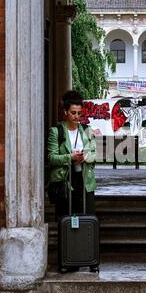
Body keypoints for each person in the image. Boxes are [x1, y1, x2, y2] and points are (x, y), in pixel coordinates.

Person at [47, 90, 97, 221]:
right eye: (73, 113)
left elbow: (94, 153)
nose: (76, 116)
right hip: (65, 181)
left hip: (85, 180)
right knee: (66, 219)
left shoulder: (87, 130)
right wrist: (70, 157)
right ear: (65, 112)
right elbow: (51, 158)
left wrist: (84, 157)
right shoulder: (56, 132)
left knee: (86, 218)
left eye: (79, 113)